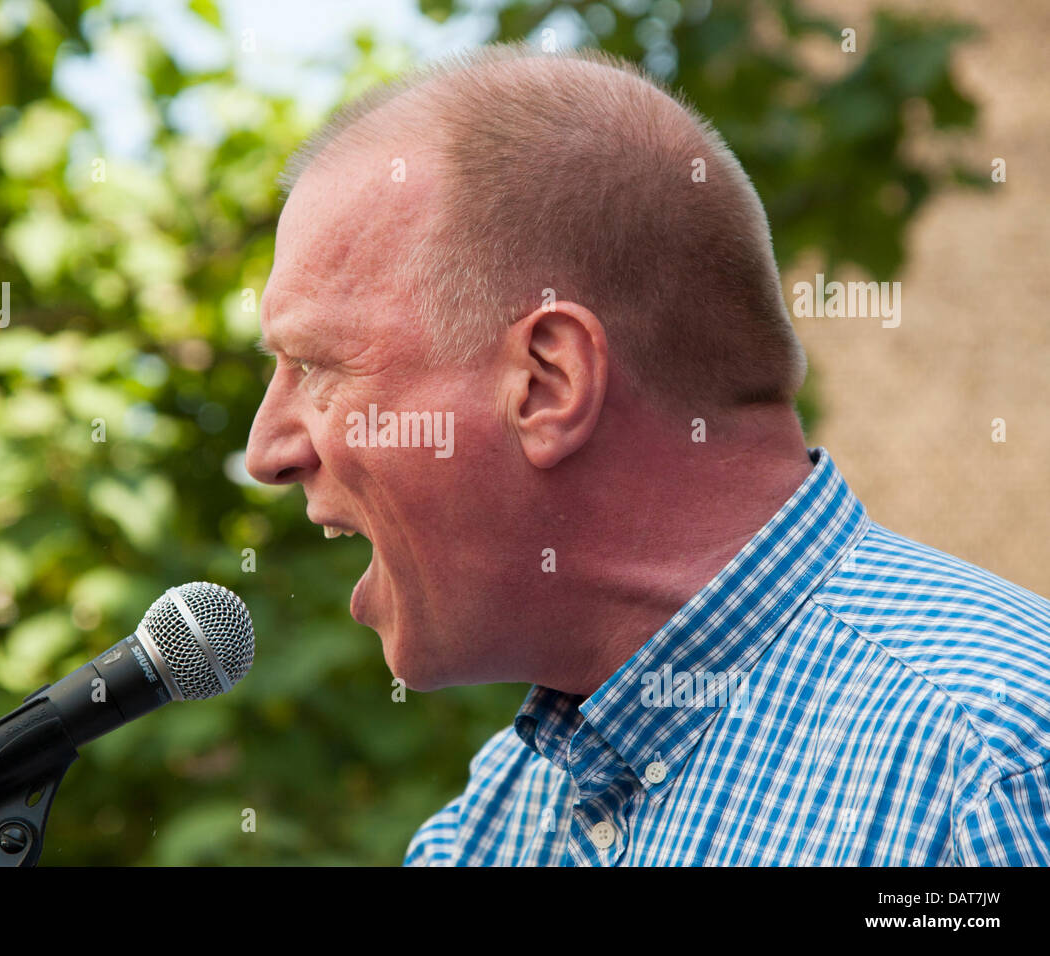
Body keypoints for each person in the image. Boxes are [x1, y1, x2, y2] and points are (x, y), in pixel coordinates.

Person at [243, 43, 1050, 865]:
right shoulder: (503, 813)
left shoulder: (993, 767)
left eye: (317, 367)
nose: (266, 451)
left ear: (548, 383)